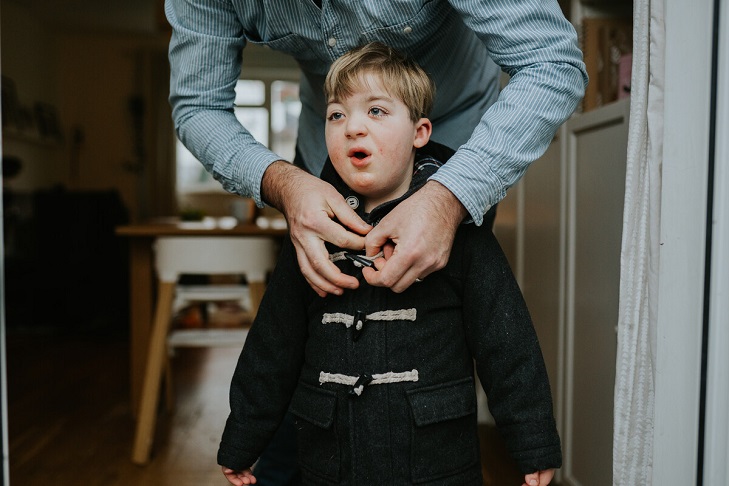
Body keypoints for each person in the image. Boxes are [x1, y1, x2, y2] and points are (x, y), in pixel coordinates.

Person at [217, 42, 560, 486]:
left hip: (435, 463)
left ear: (419, 132)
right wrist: (243, 438)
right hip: (330, 463)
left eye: (376, 111)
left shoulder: (459, 231)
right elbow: (272, 345)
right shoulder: (312, 232)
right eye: (337, 115)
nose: (352, 128)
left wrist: (532, 442)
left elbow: (508, 344)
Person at [164, 0, 588, 298]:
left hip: (461, 146)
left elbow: (551, 62)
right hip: (317, 164)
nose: (357, 129)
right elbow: (199, 106)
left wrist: (449, 197)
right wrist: (283, 183)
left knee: (441, 330)